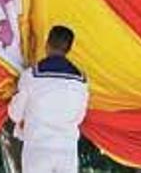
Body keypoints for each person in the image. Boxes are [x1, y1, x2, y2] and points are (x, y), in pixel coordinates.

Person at [7, 26, 88, 173]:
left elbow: (15, 114)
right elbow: (79, 117)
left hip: (37, 149)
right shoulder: (81, 80)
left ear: (47, 44)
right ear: (69, 49)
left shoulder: (31, 75)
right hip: (67, 150)